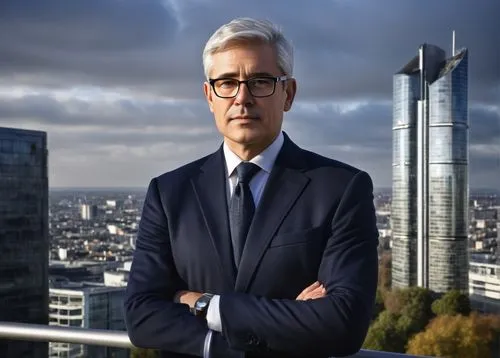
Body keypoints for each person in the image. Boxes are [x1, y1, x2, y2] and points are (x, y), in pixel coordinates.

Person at [124, 17, 379, 358]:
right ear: (209, 96)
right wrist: (236, 343)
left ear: (287, 93)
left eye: (260, 81)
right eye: (227, 83)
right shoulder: (169, 193)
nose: (242, 98)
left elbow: (343, 324)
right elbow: (141, 316)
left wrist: (205, 305)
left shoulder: (342, 189)